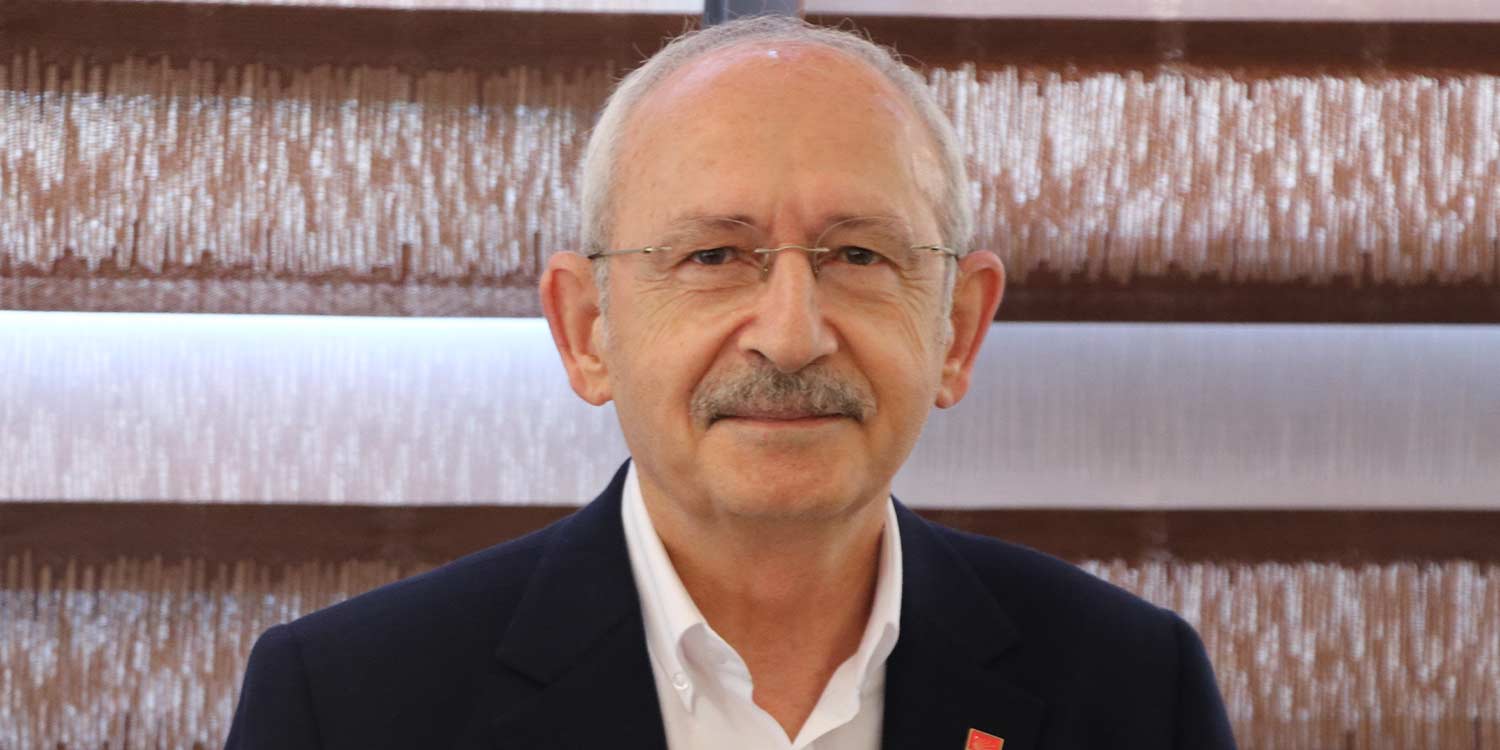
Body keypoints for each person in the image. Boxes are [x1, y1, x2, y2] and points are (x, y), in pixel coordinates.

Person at [226, 16, 1236, 750]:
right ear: (586, 331)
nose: (791, 338)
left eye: (858, 255)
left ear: (959, 330)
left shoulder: (1132, 691)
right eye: (713, 256)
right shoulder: (351, 705)